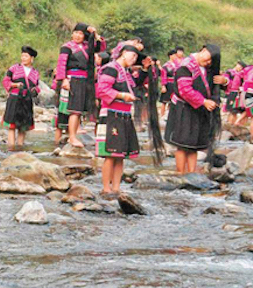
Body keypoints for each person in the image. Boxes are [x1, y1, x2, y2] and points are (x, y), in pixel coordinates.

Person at [164, 44, 228, 174]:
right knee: (182, 144)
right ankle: (180, 173)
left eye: (211, 61)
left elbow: (219, 85)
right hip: (184, 108)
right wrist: (203, 101)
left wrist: (224, 81)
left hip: (198, 110)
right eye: (208, 59)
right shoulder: (186, 66)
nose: (208, 62)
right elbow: (184, 90)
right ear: (203, 51)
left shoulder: (207, 69)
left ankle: (191, 174)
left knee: (193, 145)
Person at [95, 45, 149, 195]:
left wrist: (144, 70)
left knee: (120, 155)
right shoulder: (111, 68)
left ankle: (116, 188)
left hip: (124, 114)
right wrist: (122, 96)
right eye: (132, 56)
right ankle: (106, 188)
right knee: (110, 155)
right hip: (112, 114)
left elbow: (134, 86)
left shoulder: (125, 72)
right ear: (124, 53)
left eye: (136, 58)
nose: (134, 59)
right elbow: (102, 90)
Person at [55, 23, 106, 147]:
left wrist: (95, 33)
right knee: (74, 110)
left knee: (80, 110)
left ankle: (72, 136)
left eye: (81, 33)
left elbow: (101, 47)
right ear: (72, 33)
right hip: (73, 79)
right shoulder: (67, 47)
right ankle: (72, 137)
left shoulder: (87, 46)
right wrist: (64, 79)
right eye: (76, 32)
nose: (77, 36)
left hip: (85, 80)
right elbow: (61, 64)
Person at [2, 46, 40, 150]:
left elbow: (37, 86)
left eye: (26, 56)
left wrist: (35, 91)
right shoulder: (14, 68)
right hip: (15, 98)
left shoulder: (35, 73)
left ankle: (20, 147)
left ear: (31, 58)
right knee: (12, 126)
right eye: (22, 56)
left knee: (23, 127)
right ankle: (11, 147)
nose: (23, 58)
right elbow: (6, 81)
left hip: (27, 100)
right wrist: (15, 85)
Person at [222, 61, 246, 125]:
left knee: (234, 110)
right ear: (237, 65)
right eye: (240, 66)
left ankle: (234, 124)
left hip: (237, 93)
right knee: (231, 110)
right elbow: (225, 80)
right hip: (229, 92)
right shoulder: (229, 72)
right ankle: (230, 124)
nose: (240, 68)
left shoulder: (241, 74)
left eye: (242, 67)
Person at [159, 49, 178, 117]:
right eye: (174, 55)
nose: (176, 56)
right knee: (164, 101)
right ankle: (162, 115)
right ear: (170, 56)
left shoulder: (177, 65)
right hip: (168, 84)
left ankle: (170, 116)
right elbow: (163, 76)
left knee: (172, 101)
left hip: (175, 84)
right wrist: (163, 86)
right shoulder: (166, 65)